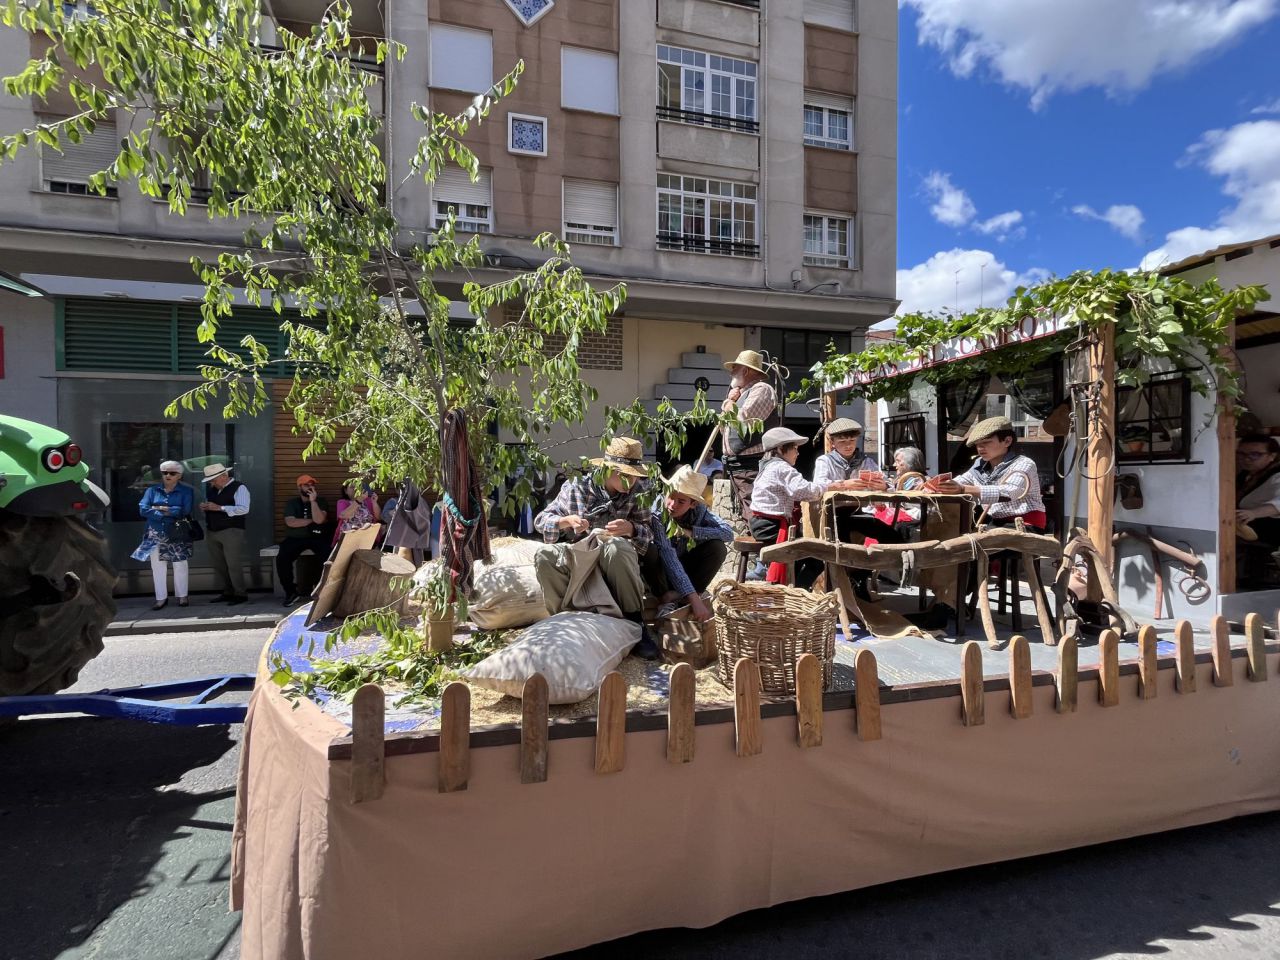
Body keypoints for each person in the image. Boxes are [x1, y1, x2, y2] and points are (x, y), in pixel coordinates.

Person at [533, 437, 656, 657]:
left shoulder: (641, 491)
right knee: (544, 554)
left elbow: (650, 533)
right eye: (626, 476)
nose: (632, 483)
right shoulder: (576, 487)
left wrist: (631, 528)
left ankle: (635, 623)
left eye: (635, 477)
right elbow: (541, 521)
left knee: (616, 546)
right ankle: (561, 620)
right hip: (580, 558)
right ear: (608, 470)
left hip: (616, 564)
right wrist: (566, 521)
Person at [641, 465, 734, 622]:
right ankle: (666, 597)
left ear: (693, 504)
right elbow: (668, 556)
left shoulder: (700, 512)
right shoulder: (657, 514)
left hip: (684, 565)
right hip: (660, 571)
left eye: (681, 502)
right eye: (670, 497)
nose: (672, 505)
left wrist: (692, 533)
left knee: (717, 547)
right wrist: (695, 600)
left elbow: (728, 533)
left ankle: (681, 594)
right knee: (652, 551)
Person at [749, 427, 830, 586]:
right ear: (780, 449)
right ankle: (795, 594)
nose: (797, 453)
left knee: (804, 556)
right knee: (816, 558)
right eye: (794, 448)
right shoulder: (781, 467)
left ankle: (789, 588)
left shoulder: (768, 465)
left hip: (763, 524)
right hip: (771, 527)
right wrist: (831, 486)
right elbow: (804, 491)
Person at [936, 416, 1046, 529]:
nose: (980, 448)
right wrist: (937, 485)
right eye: (977, 444)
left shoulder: (1023, 463)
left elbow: (1009, 492)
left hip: (1026, 523)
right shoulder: (979, 465)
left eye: (986, 442)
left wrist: (963, 489)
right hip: (995, 523)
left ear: (1007, 441)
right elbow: (961, 481)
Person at [719, 349, 779, 519]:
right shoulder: (743, 394)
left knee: (755, 512)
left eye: (735, 368)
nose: (731, 372)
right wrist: (732, 400)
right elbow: (724, 428)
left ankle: (764, 542)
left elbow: (743, 419)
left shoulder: (762, 390)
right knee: (747, 512)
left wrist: (729, 403)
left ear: (745, 370)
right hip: (738, 466)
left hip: (752, 466)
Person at [131, 460, 195, 610]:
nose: (168, 475)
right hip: (154, 532)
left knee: (180, 564)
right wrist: (168, 511)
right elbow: (143, 509)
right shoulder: (152, 490)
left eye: (172, 473)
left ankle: (182, 596)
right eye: (165, 472)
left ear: (179, 475)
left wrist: (158, 509)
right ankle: (161, 598)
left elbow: (184, 511)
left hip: (177, 531)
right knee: (157, 566)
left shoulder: (186, 491)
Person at [200, 462, 251, 604]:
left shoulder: (239, 488)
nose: (211, 482)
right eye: (210, 480)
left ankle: (240, 594)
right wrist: (206, 507)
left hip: (232, 530)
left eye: (213, 479)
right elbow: (214, 506)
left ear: (224, 476)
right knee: (219, 564)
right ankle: (228, 591)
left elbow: (244, 509)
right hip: (212, 530)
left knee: (233, 564)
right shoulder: (213, 490)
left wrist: (220, 508)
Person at [278, 474, 330, 606]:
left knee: (328, 557)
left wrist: (313, 501)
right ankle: (291, 592)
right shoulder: (292, 503)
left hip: (317, 537)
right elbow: (291, 522)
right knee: (282, 558)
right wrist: (311, 521)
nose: (310, 487)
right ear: (299, 487)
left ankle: (323, 591)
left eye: (312, 485)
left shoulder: (321, 501)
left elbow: (319, 520)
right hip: (295, 538)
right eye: (307, 485)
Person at [1235, 434, 1280, 546]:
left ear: (1272, 456)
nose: (1246, 459)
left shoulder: (1277, 474)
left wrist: (1253, 513)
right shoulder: (1245, 474)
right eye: (1241, 454)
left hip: (1268, 535)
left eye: (1255, 454)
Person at [812, 418, 881, 487]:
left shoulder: (866, 461)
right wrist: (844, 484)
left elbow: (885, 481)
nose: (848, 446)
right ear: (832, 442)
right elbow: (818, 484)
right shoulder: (825, 461)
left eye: (852, 440)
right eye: (842, 441)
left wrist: (884, 485)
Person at [333, 480, 381, 546]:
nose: (355, 489)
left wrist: (374, 502)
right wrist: (359, 500)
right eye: (352, 487)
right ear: (345, 491)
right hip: (348, 538)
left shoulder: (368, 501)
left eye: (358, 487)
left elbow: (378, 517)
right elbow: (343, 515)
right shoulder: (342, 502)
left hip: (368, 537)